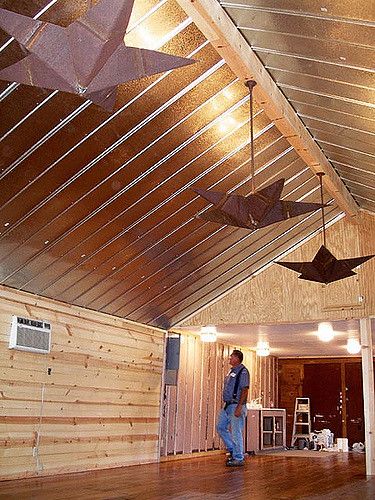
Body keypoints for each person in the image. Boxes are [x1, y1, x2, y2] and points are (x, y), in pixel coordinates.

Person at [217, 349, 249, 467]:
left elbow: (245, 390)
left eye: (231, 357)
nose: (229, 358)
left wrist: (239, 407)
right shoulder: (231, 371)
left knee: (236, 431)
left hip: (236, 405)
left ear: (237, 358)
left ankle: (238, 457)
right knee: (220, 427)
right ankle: (232, 449)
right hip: (228, 405)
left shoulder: (243, 372)